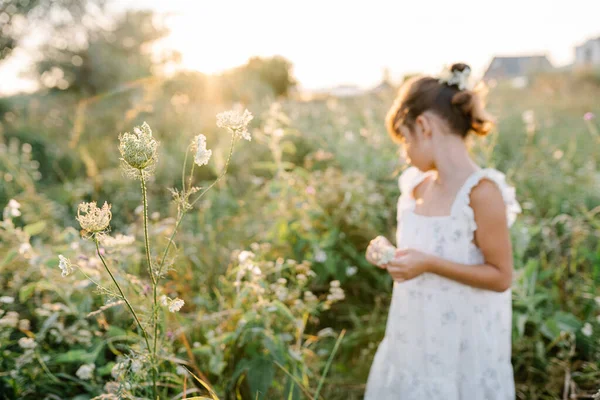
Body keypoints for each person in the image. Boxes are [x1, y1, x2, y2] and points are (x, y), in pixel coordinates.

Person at [363, 63, 522, 399]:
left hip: (463, 345)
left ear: (423, 126)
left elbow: (501, 276)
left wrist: (429, 264)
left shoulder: (482, 193)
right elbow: (419, 254)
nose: (404, 152)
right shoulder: (415, 188)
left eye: (404, 139)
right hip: (415, 336)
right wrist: (393, 256)